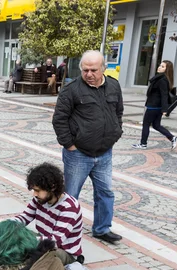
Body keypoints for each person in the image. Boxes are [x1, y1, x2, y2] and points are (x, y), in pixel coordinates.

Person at [52, 50, 123, 244]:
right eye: (85, 70)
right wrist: (70, 145)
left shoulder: (114, 86)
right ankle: (62, 233)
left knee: (105, 192)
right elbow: (59, 119)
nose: (89, 74)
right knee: (70, 196)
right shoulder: (72, 89)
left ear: (103, 68)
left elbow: (118, 112)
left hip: (104, 152)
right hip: (79, 154)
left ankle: (102, 229)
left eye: (93, 70)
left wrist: (116, 132)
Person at [11, 163, 83, 266]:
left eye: (37, 190)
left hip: (63, 252)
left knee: (26, 255)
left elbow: (55, 241)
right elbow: (25, 217)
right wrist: (7, 225)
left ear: (52, 187)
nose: (34, 194)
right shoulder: (40, 199)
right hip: (45, 241)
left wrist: (25, 242)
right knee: (14, 239)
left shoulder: (69, 207)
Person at [132, 60, 177, 150]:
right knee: (156, 125)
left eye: (162, 66)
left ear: (167, 70)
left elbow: (164, 95)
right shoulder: (159, 78)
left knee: (146, 124)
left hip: (154, 106)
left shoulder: (162, 80)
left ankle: (143, 144)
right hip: (156, 106)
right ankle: (172, 138)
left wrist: (165, 109)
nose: (159, 67)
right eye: (160, 65)